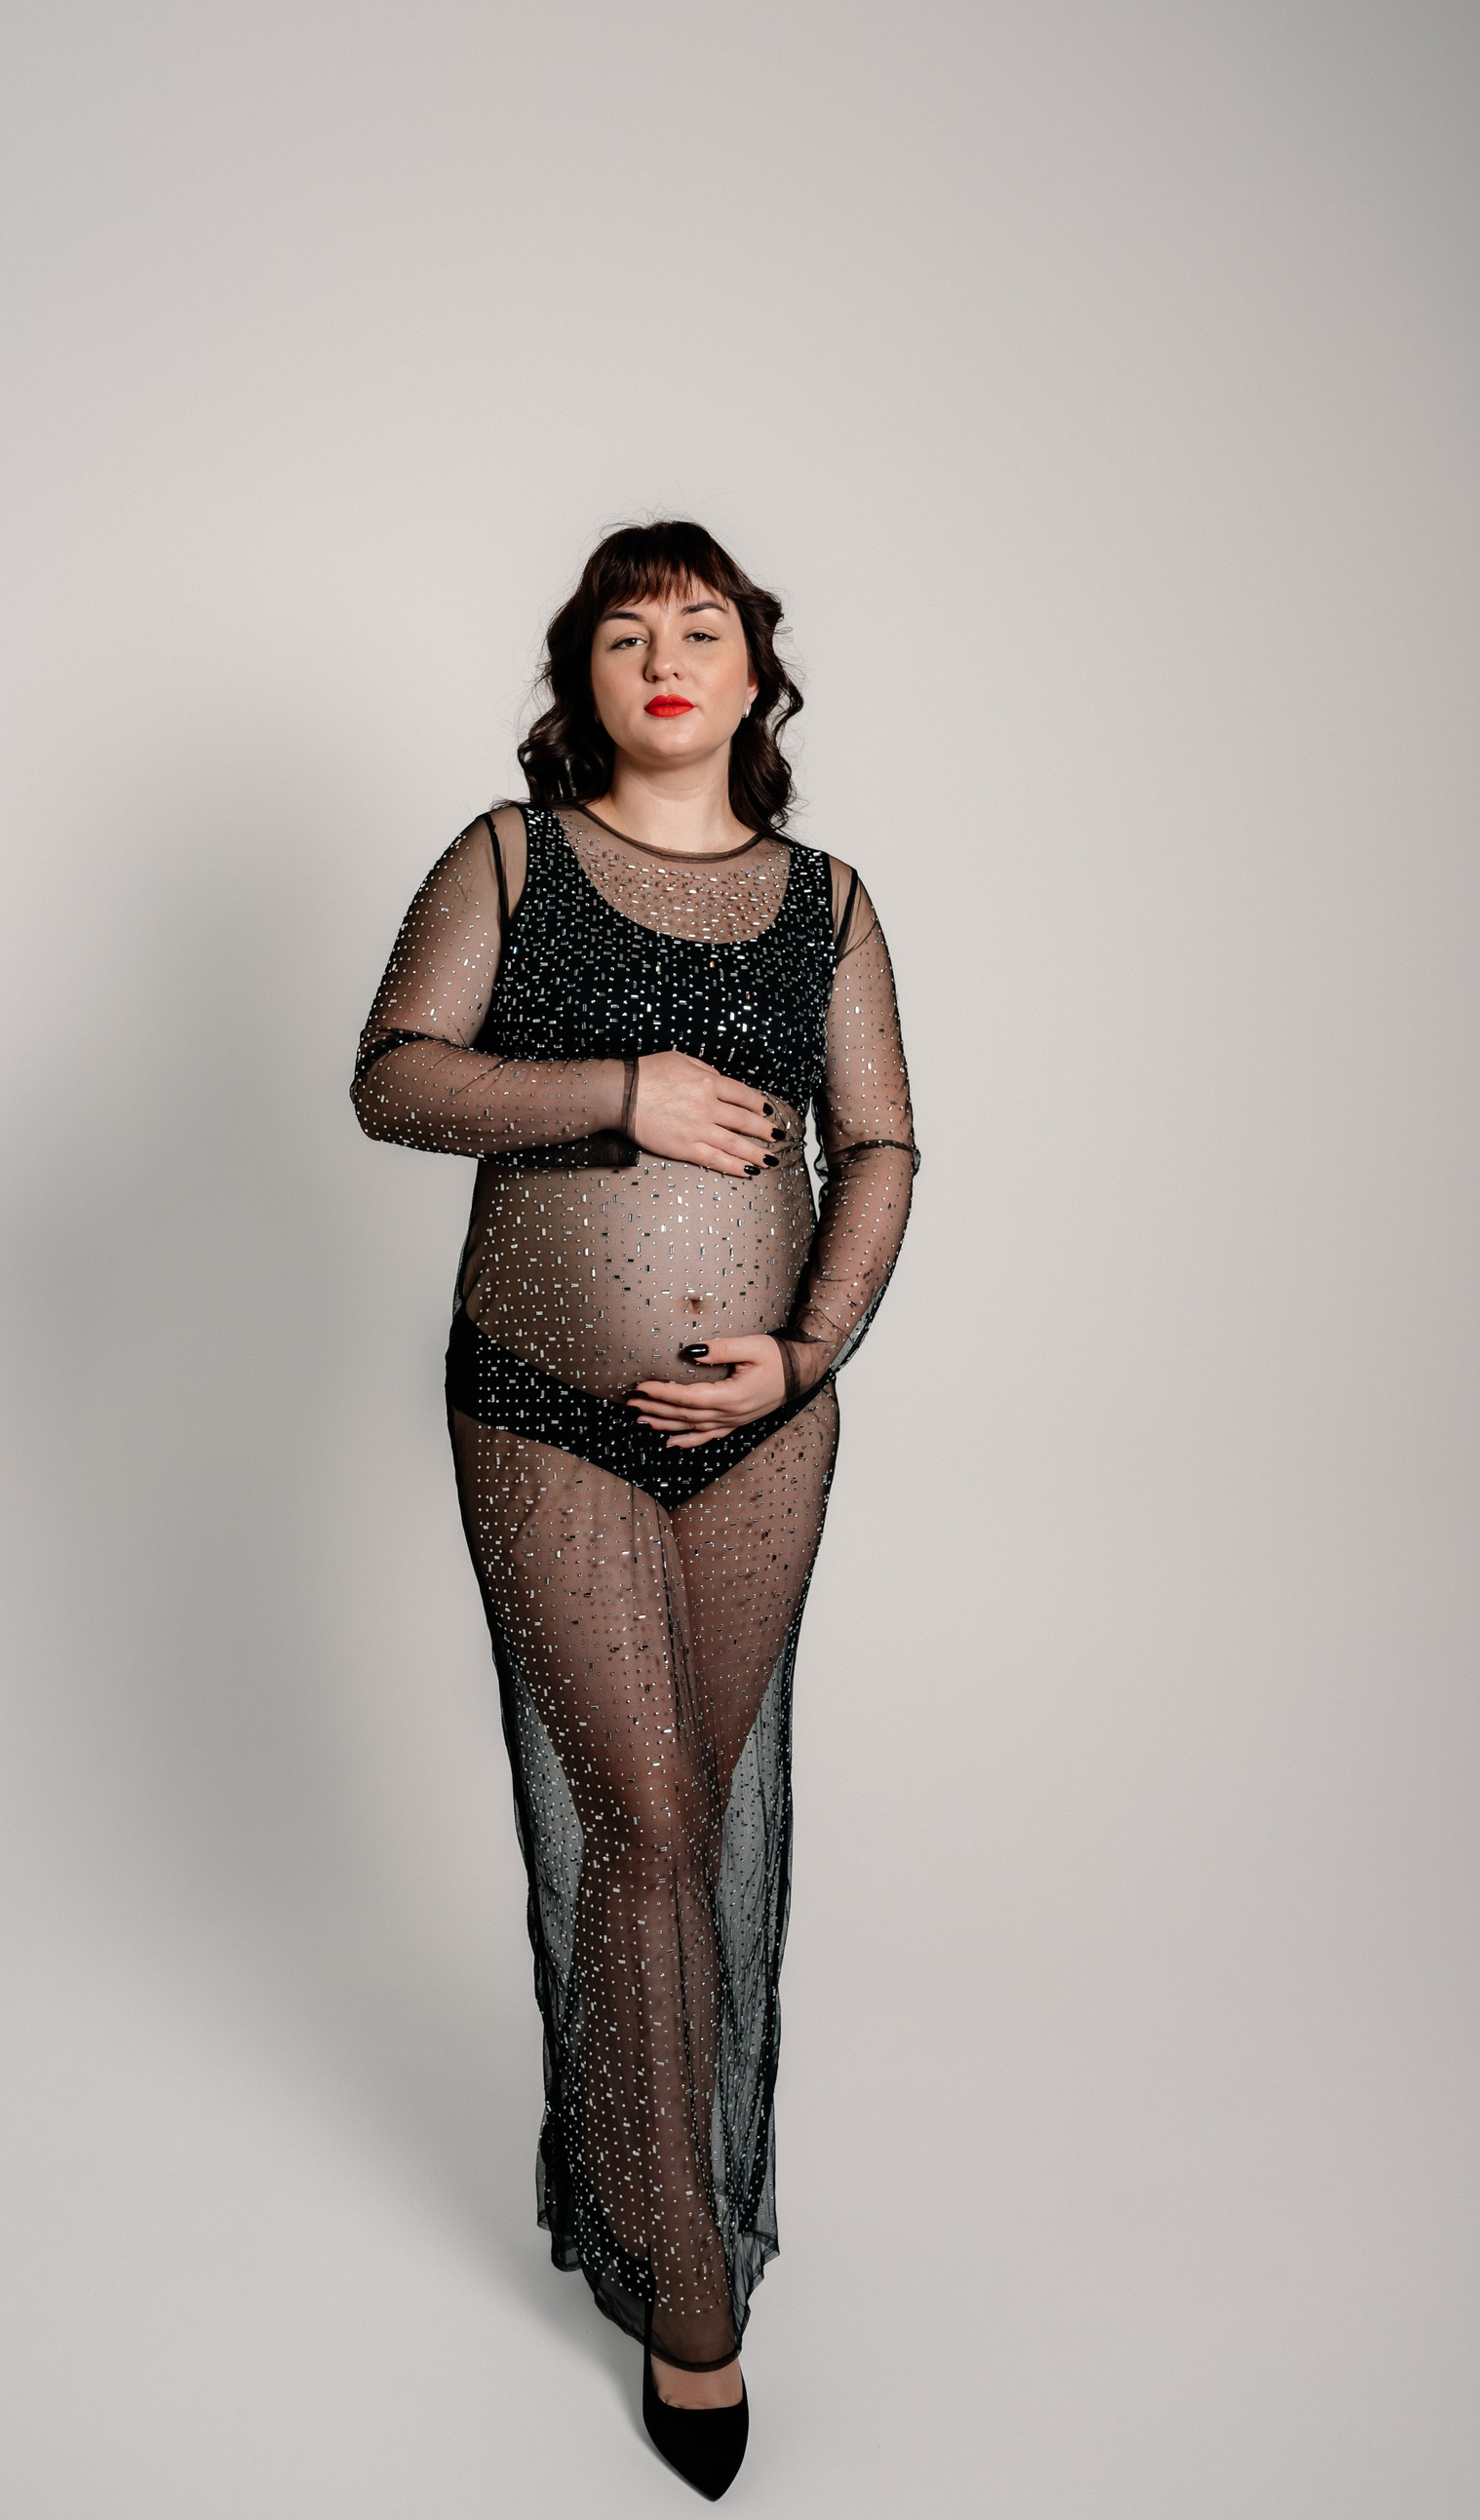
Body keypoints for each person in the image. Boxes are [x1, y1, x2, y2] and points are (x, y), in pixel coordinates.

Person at [351, 521, 916, 2499]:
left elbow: (882, 1145)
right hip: (541, 1410)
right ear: (578, 675)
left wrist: (806, 1354)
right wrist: (621, 1089)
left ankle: (643, 2184)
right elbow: (395, 1079)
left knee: (695, 1812)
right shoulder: (507, 860)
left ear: (758, 675)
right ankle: (687, 2286)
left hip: (767, 1432)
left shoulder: (829, 904)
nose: (664, 655)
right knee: (652, 1823)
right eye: (622, 631)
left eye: (702, 626)